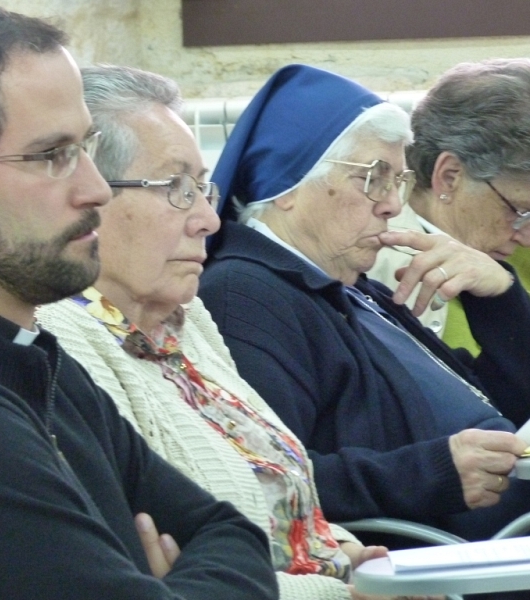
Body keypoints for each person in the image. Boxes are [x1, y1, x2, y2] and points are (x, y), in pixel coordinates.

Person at [34, 64, 433, 600]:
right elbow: (152, 569)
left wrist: (335, 550)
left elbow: (266, 500)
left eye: (203, 188)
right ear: (87, 197)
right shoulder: (60, 338)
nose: (209, 219)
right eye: (175, 188)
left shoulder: (187, 318)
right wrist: (339, 591)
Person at [0, 5, 279, 600]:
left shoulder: (36, 362)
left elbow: (230, 531)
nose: (95, 190)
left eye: (85, 146)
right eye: (51, 155)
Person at [199, 63, 530, 544]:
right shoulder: (246, 296)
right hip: (445, 565)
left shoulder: (355, 290)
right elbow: (269, 479)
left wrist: (499, 299)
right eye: (374, 178)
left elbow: (499, 403)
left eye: (397, 180)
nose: (394, 204)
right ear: (288, 185)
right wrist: (434, 473)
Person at [368, 59, 530, 349]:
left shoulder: (505, 241)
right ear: (450, 176)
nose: (527, 238)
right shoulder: (388, 275)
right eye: (519, 211)